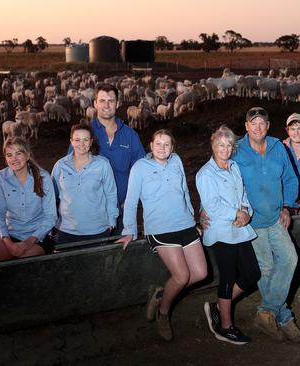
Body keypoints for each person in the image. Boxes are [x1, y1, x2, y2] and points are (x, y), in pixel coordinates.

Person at [202, 107, 300, 343]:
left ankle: (267, 312)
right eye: (253, 123)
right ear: (247, 127)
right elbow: (216, 173)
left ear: (268, 126)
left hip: (275, 218)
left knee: (291, 259)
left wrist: (287, 206)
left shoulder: (277, 147)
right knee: (266, 268)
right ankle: (283, 317)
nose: (258, 127)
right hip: (251, 223)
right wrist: (203, 210)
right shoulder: (237, 148)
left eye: (262, 122)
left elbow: (291, 179)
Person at [116, 129, 207, 341]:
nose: (162, 147)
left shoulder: (176, 161)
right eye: (158, 143)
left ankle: (162, 294)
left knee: (201, 273)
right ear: (151, 144)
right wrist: (129, 230)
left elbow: (184, 190)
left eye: (167, 144)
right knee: (182, 276)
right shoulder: (140, 167)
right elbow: (131, 201)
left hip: (184, 224)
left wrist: (192, 219)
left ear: (172, 147)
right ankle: (163, 312)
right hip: (161, 228)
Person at [196, 125, 261, 345]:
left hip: (239, 228)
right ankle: (225, 327)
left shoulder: (234, 167)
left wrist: (247, 213)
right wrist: (237, 213)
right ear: (213, 146)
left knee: (252, 273)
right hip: (221, 231)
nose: (225, 149)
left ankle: (218, 306)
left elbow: (243, 194)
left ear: (233, 148)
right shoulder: (205, 173)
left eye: (229, 145)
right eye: (220, 145)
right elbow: (212, 206)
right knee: (228, 276)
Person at [68, 83, 145, 235]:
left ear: (118, 103)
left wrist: (131, 200)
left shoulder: (130, 135)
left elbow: (141, 170)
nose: (107, 105)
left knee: (121, 254)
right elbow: (69, 170)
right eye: (102, 101)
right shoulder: (84, 134)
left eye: (111, 100)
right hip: (90, 213)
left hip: (123, 211)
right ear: (95, 103)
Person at [0, 137, 57, 263]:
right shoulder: (0, 178)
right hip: (11, 234)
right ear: (6, 159)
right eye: (9, 155)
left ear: (27, 155)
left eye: (18, 153)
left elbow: (50, 216)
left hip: (38, 236)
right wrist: (8, 242)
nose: (14, 159)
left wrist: (29, 241)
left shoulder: (43, 177)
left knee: (21, 265)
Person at [52, 123, 118, 243]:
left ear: (91, 141)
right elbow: (51, 197)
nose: (81, 144)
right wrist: (53, 222)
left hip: (97, 229)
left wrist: (112, 220)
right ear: (71, 141)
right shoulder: (60, 165)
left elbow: (111, 194)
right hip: (67, 230)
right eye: (77, 140)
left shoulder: (103, 164)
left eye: (86, 140)